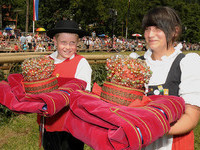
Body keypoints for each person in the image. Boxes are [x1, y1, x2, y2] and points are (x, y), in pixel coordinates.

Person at [141, 6, 200, 150]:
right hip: (140, 143)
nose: (150, 34)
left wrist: (152, 129)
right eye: (147, 29)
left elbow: (191, 117)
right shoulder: (137, 62)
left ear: (175, 31)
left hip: (173, 143)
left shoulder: (187, 63)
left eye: (157, 28)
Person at [40, 20, 92, 150]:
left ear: (77, 43)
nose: (68, 47)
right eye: (63, 42)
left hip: (72, 124)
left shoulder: (81, 63)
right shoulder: (46, 61)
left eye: (72, 43)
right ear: (55, 41)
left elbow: (84, 92)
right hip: (49, 122)